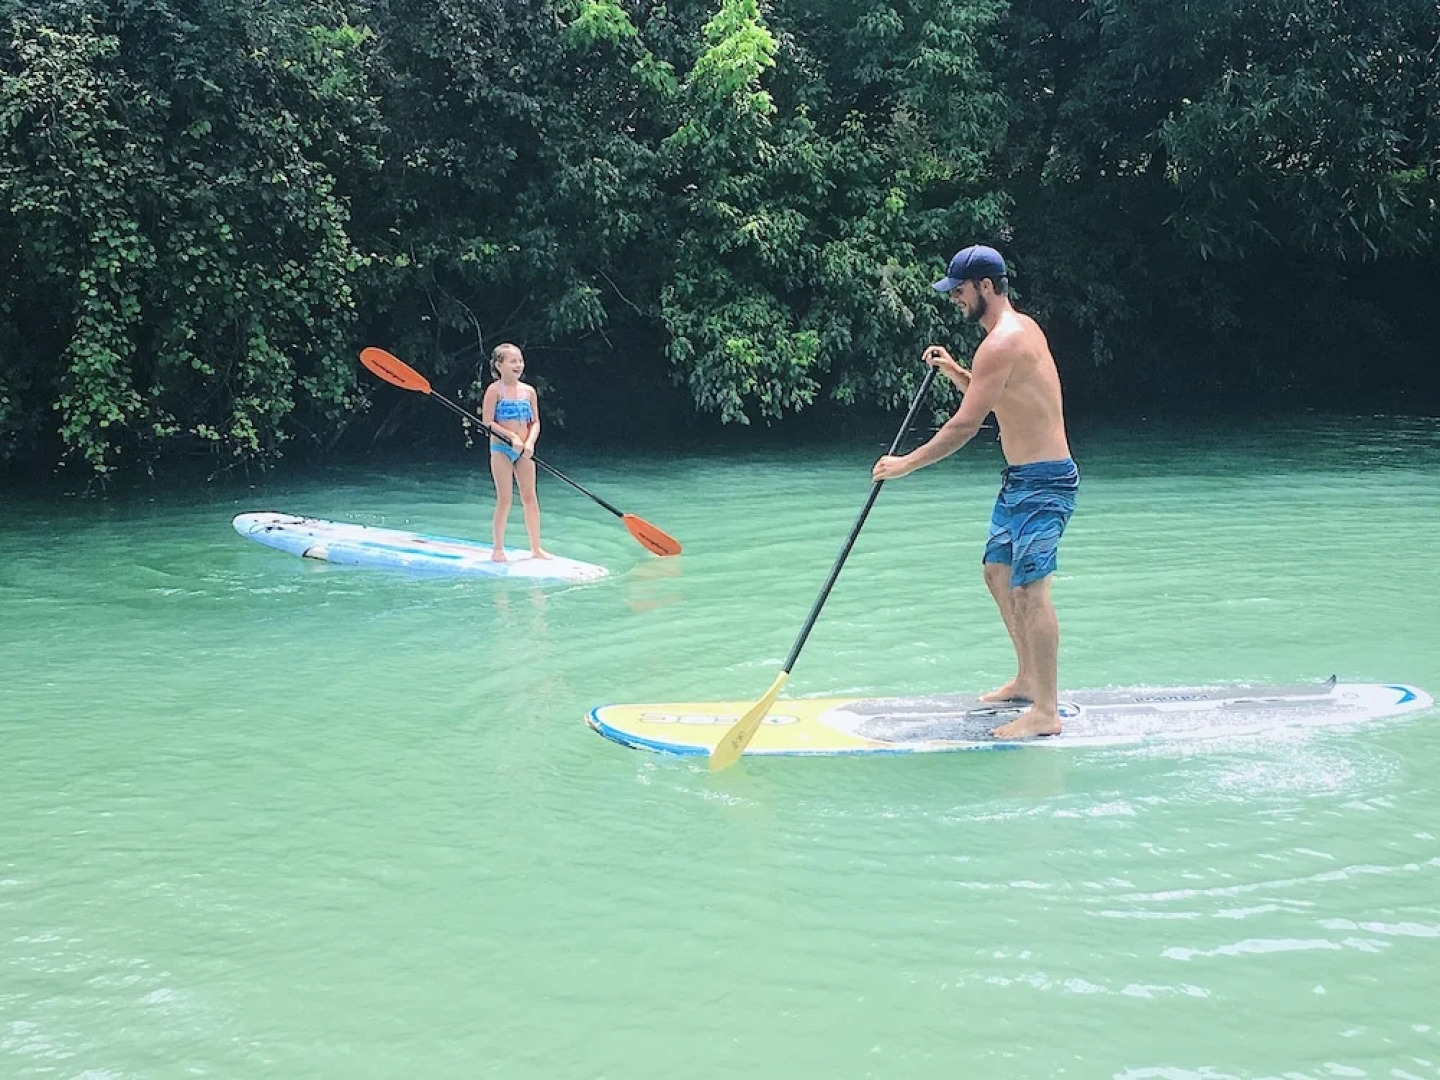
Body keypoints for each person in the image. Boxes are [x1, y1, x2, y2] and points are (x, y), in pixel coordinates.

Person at [872, 245, 1079, 738]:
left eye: (960, 291)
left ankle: (1046, 712)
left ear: (986, 286)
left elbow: (966, 425)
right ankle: (1028, 679)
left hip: (1046, 481)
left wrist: (905, 464)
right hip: (1021, 481)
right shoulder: (1015, 333)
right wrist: (954, 372)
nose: (955, 300)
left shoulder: (1003, 342)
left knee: (1030, 590)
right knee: (997, 572)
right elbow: (994, 398)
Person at [482, 343, 549, 561]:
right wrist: (511, 437)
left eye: (520, 360)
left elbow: (536, 422)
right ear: (499, 365)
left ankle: (536, 548)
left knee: (530, 497)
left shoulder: (529, 391)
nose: (518, 364)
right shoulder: (494, 390)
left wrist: (529, 442)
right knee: (505, 499)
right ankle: (498, 549)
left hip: (525, 450)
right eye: (513, 361)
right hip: (501, 449)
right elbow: (487, 422)